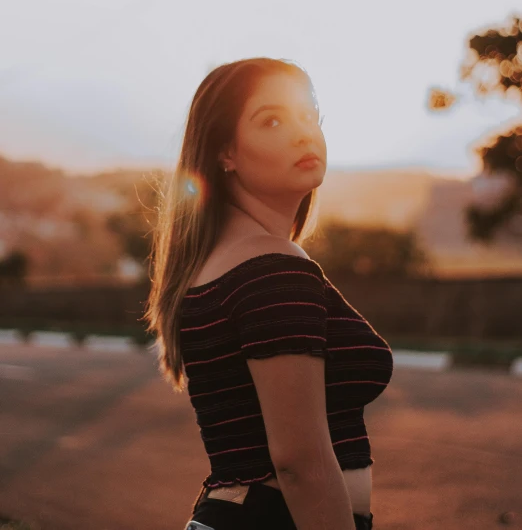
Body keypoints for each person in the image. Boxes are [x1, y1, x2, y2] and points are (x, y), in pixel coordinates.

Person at [143, 57, 393, 530]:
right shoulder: (271, 271)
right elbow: (300, 462)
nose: (303, 133)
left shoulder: (223, 260)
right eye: (272, 120)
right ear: (225, 154)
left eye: (308, 115)